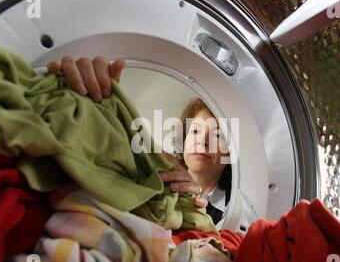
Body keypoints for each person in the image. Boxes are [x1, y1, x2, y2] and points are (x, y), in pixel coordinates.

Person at [47, 57, 232, 228]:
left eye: (217, 135)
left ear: (231, 152)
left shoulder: (236, 204)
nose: (202, 141)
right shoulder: (155, 168)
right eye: (196, 131)